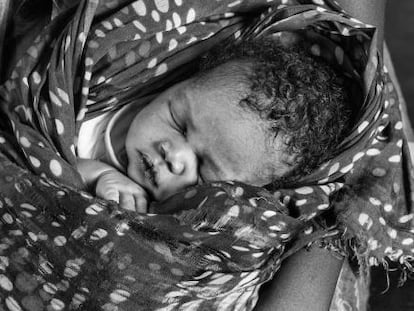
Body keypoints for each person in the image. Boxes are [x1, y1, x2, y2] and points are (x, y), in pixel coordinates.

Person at [76, 37, 352, 213]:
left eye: (205, 174)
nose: (174, 156)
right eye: (179, 123)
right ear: (177, 85)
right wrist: (96, 174)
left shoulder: (169, 216)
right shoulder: (107, 97)